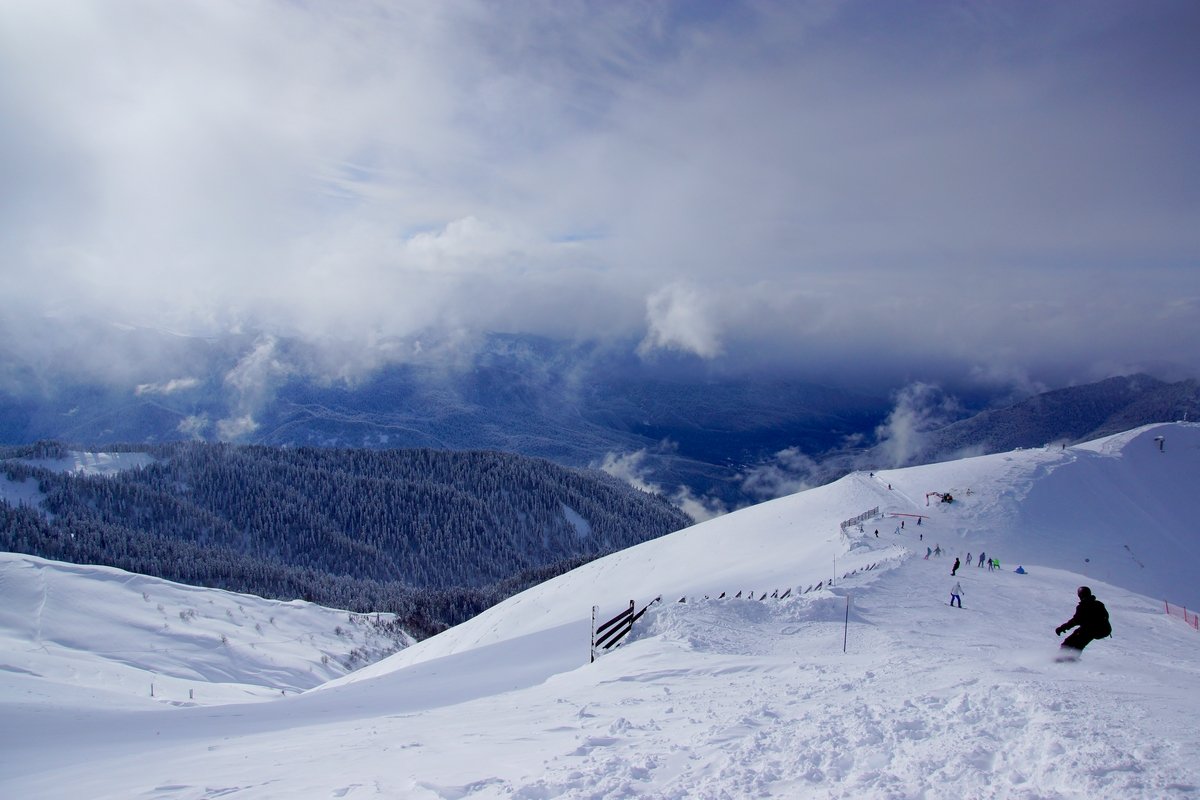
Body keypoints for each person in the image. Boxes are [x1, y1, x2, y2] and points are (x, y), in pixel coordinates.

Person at [1055, 586, 1112, 656]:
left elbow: (1076, 620)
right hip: (1102, 629)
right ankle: (1071, 659)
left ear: (1080, 595)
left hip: (1092, 629)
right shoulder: (1098, 604)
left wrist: (1062, 628)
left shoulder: (1083, 606)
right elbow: (1106, 616)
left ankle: (1063, 658)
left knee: (1070, 642)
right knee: (1079, 642)